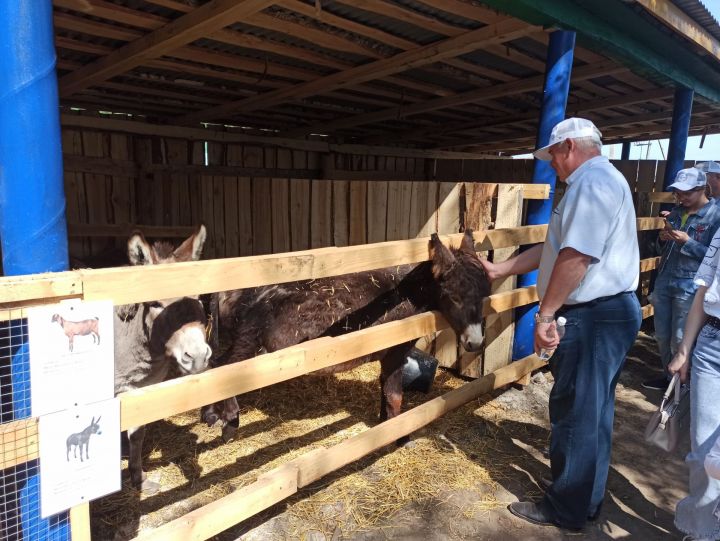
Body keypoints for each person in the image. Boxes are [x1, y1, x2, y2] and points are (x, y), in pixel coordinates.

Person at [480, 117, 642, 530]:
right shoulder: (600, 183)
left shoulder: (591, 186)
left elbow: (576, 258)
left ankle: (564, 508)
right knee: (595, 410)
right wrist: (502, 270)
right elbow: (554, 247)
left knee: (573, 412)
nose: (551, 164)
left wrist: (546, 313)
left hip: (593, 317)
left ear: (568, 146)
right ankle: (586, 500)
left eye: (552, 155)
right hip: (611, 313)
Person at [642, 168, 720, 391]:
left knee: (680, 338)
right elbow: (661, 249)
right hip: (666, 280)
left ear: (702, 189)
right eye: (678, 193)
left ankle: (682, 385)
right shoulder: (676, 213)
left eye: (687, 193)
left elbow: (714, 259)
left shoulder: (716, 217)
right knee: (662, 335)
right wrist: (663, 238)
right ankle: (670, 379)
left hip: (690, 287)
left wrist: (688, 242)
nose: (681, 197)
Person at [668, 227, 720, 541]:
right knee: (705, 455)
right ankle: (703, 532)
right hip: (712, 343)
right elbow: (705, 288)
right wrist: (685, 349)